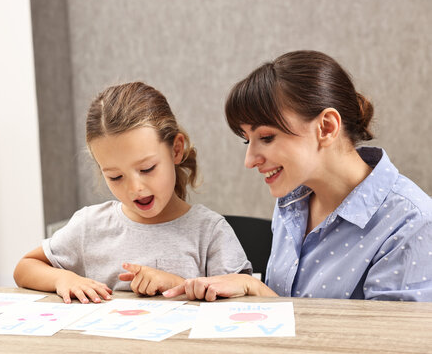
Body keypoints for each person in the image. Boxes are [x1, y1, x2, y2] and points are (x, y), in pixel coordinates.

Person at [164, 50, 432, 302]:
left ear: (326, 127)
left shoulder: (411, 224)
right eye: (248, 141)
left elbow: (384, 345)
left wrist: (257, 289)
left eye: (267, 137)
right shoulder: (292, 202)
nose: (249, 161)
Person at [14, 82, 252, 304]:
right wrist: (63, 279)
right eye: (115, 177)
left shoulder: (209, 232)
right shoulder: (90, 226)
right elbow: (26, 266)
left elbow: (245, 304)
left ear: (176, 150)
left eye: (147, 169)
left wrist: (178, 286)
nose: (134, 188)